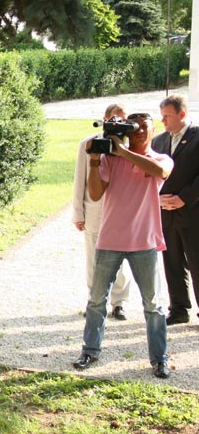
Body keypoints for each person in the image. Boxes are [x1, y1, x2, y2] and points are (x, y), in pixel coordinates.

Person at [72, 112, 173, 379]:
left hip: (144, 241)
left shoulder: (161, 159)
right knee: (96, 300)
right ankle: (89, 351)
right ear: (126, 132)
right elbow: (95, 194)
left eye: (144, 127)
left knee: (153, 305)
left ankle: (160, 359)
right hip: (110, 240)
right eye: (134, 128)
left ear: (154, 130)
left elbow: (161, 172)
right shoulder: (111, 160)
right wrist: (95, 160)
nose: (140, 131)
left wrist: (123, 152)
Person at [71, 103, 131, 320]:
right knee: (93, 258)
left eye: (123, 119)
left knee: (121, 259)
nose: (119, 123)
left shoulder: (130, 145)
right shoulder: (88, 144)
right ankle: (94, 299)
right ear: (106, 119)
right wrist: (78, 213)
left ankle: (119, 301)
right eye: (115, 119)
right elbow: (80, 179)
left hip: (121, 211)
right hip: (95, 210)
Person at [151, 95, 199, 326]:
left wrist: (184, 198)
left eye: (167, 116)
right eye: (161, 116)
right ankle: (179, 309)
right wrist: (157, 198)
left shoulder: (197, 137)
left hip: (193, 212)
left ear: (182, 114)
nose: (163, 121)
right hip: (166, 213)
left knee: (197, 262)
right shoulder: (159, 141)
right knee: (172, 262)